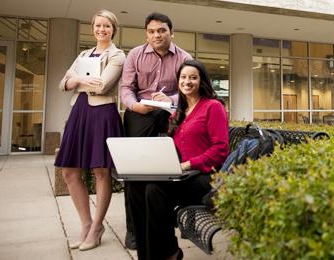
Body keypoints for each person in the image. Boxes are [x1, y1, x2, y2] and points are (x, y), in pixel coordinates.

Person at [129, 60, 230, 260]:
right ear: (178, 82)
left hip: (205, 176)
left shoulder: (213, 107)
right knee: (135, 186)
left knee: (155, 189)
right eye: (183, 77)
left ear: (202, 81)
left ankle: (168, 254)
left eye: (193, 77)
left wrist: (188, 164)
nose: (187, 81)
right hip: (182, 175)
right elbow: (173, 148)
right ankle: (149, 254)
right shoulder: (179, 112)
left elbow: (221, 149)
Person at [119, 12, 192, 250]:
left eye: (161, 31)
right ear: (146, 34)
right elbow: (126, 88)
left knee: (170, 166)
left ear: (171, 32)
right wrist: (134, 105)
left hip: (170, 113)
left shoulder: (184, 57)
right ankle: (134, 229)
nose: (156, 35)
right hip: (140, 112)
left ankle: (171, 220)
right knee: (134, 171)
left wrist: (169, 98)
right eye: (151, 31)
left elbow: (188, 90)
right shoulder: (135, 55)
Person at [54, 9, 125, 251]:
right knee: (69, 171)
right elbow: (63, 84)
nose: (102, 30)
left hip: (102, 114)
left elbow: (102, 85)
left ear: (113, 29)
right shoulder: (84, 53)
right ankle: (86, 224)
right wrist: (74, 81)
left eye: (107, 26)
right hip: (79, 112)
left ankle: (96, 227)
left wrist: (76, 79)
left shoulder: (118, 56)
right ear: (92, 28)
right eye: (98, 25)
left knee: (100, 172)